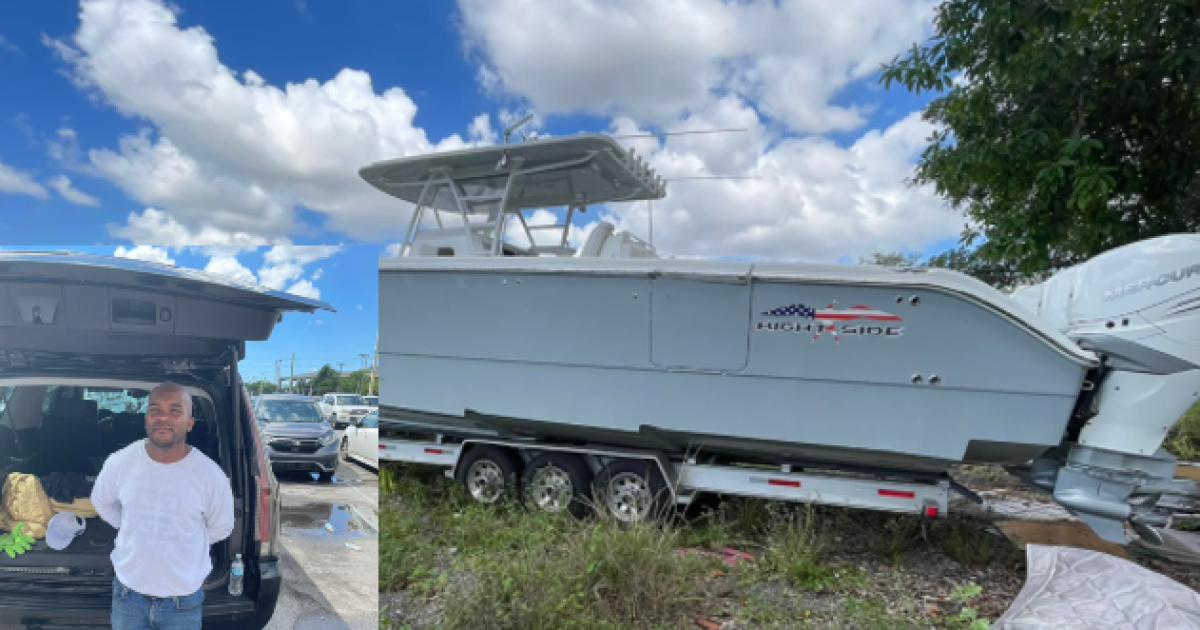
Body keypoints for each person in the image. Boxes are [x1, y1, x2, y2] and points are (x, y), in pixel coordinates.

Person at [91, 382, 235, 629]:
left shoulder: (211, 476)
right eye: (155, 410)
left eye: (175, 411)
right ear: (146, 419)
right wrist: (131, 526)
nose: (163, 418)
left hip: (183, 601)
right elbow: (102, 504)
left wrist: (184, 540)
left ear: (190, 423)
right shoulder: (119, 462)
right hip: (128, 597)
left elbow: (221, 528)